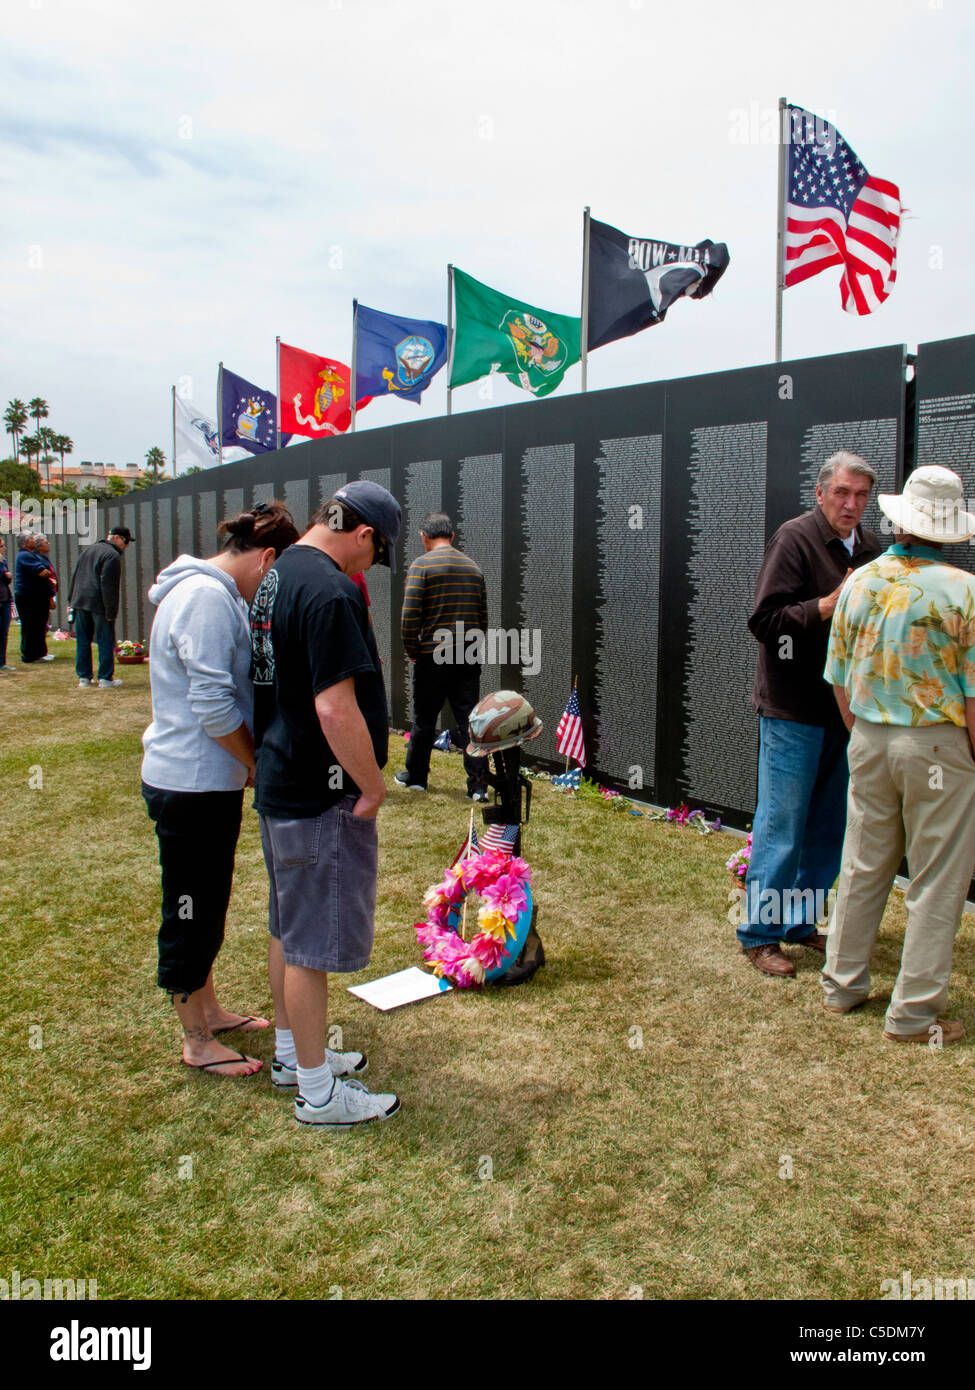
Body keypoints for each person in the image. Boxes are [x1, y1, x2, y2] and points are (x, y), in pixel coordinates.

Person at [250, 479, 403, 1127]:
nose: (372, 564)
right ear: (364, 533)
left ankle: (293, 1056)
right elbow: (333, 706)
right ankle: (317, 1094)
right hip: (319, 791)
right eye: (378, 550)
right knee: (312, 943)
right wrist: (370, 784)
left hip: (281, 779)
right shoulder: (331, 590)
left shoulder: (278, 574)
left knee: (288, 928)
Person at [142, 501, 299, 1078]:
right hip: (191, 781)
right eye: (273, 577)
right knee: (188, 906)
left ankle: (207, 1009)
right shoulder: (206, 599)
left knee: (207, 901)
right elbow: (212, 703)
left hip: (205, 779)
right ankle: (195, 1039)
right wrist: (252, 760)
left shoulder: (212, 594)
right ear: (265, 557)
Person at [822, 466, 975, 1045]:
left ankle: (842, 984)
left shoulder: (858, 582)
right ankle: (912, 1015)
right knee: (936, 877)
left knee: (862, 864)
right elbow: (974, 689)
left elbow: (837, 674)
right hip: (937, 742)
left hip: (868, 737)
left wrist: (860, 730)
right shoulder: (964, 591)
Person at [738, 452, 882, 977]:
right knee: (782, 825)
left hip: (845, 712)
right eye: (842, 493)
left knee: (827, 826)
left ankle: (799, 923)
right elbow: (764, 620)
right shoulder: (794, 539)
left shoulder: (870, 548)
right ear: (820, 492)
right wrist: (827, 603)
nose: (851, 504)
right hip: (792, 709)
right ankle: (759, 933)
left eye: (861, 495)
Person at [396, 512, 489, 799]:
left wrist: (413, 650)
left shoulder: (421, 566)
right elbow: (482, 619)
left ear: (424, 536)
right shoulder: (473, 568)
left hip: (432, 657)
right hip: (466, 658)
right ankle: (478, 787)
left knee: (424, 719)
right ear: (452, 535)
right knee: (471, 723)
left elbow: (410, 617)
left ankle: (416, 777)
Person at [67, 525, 134, 688]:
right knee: (105, 640)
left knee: (83, 640)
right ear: (118, 538)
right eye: (126, 542)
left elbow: (75, 576)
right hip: (99, 603)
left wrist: (71, 601)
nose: (126, 547)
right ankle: (105, 678)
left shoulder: (89, 550)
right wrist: (111, 611)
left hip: (80, 601)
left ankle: (84, 678)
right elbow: (108, 585)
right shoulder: (112, 555)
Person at [14, 532, 56, 663]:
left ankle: (40, 653)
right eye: (32, 539)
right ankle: (30, 656)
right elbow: (43, 572)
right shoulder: (25, 555)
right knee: (31, 627)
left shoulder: (30, 555)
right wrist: (46, 573)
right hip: (28, 597)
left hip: (34, 596)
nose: (34, 541)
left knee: (38, 626)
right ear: (26, 543)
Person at [0, 537, 17, 673]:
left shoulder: (3, 561)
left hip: (5, 600)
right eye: (1, 546)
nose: (4, 548)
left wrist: (8, 576)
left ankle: (2, 662)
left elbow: (6, 580)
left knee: (3, 633)